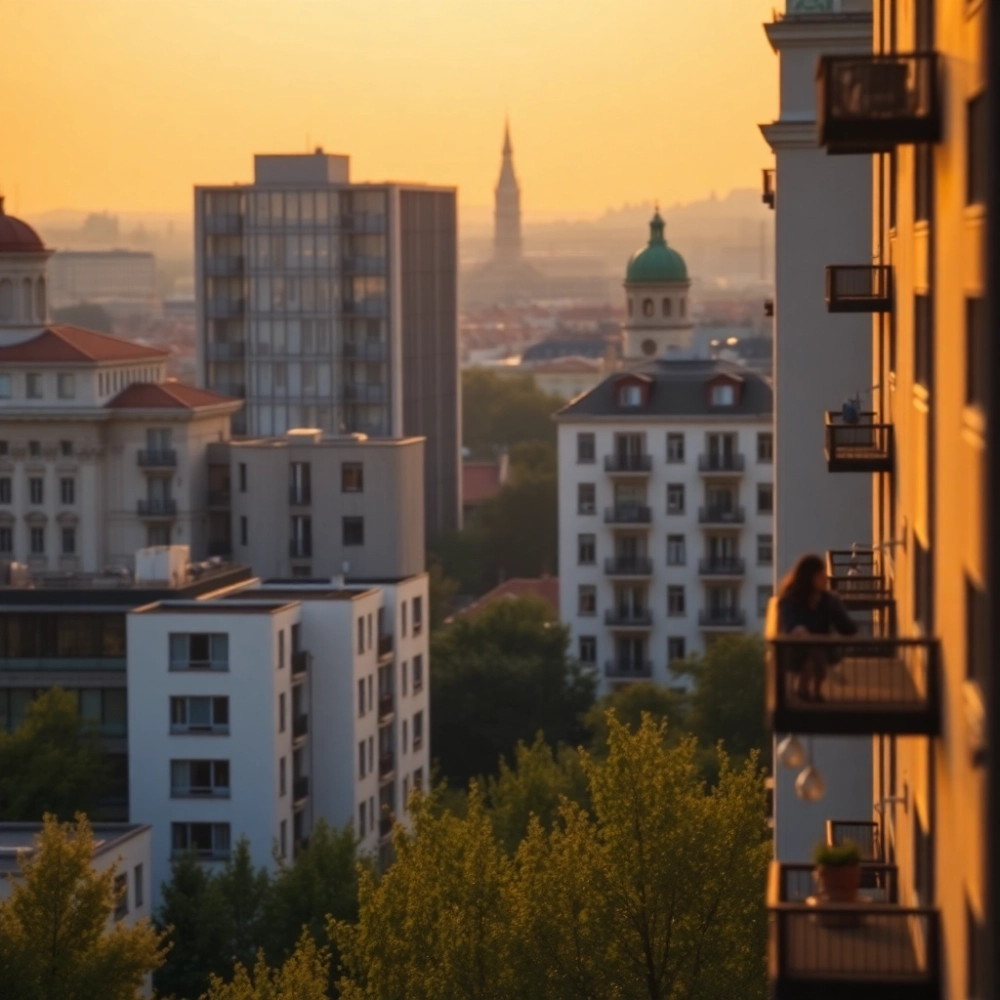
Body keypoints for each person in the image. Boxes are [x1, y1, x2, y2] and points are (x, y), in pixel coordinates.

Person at [777, 553, 858, 701]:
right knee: (808, 644)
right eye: (821, 575)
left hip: (822, 649)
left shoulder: (828, 600)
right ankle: (808, 691)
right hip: (795, 649)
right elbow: (790, 624)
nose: (825, 579)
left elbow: (847, 627)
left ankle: (807, 691)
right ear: (810, 578)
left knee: (815, 649)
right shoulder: (791, 599)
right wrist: (799, 630)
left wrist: (839, 610)